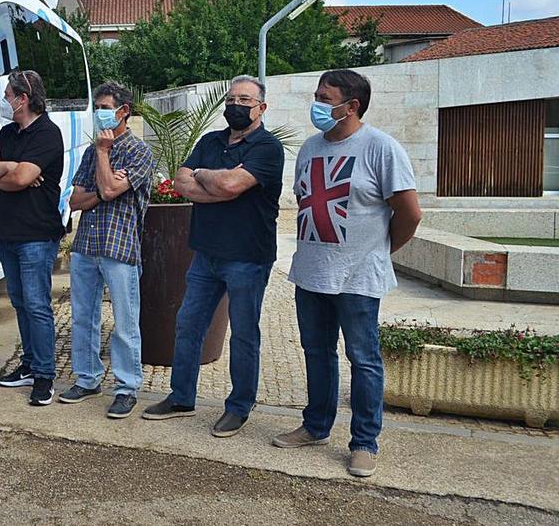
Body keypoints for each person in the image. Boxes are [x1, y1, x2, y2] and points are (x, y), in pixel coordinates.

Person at [274, 69, 420, 478]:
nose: (317, 104)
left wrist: (379, 251)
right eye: (317, 96)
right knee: (317, 354)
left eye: (325, 97)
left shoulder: (381, 148)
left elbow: (409, 213)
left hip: (358, 277)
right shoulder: (309, 148)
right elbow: (306, 200)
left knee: (363, 359)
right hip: (311, 273)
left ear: (351, 105)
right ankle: (316, 426)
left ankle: (364, 442)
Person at [142, 75, 284, 436]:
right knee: (188, 324)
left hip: (248, 257)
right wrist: (215, 183)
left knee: (244, 334)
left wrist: (207, 178)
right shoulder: (210, 141)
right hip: (205, 253)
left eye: (245, 100)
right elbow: (180, 183)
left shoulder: (267, 148)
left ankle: (238, 407)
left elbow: (232, 185)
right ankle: (181, 397)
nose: (236, 105)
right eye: (232, 98)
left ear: (261, 108)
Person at [60, 82, 154, 418]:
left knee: (126, 321)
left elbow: (113, 188)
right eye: (97, 106)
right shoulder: (88, 152)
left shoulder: (139, 152)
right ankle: (87, 378)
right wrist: (102, 187)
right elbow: (75, 200)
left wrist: (103, 156)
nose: (99, 112)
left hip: (120, 247)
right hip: (86, 245)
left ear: (123, 111)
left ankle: (127, 387)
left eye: (104, 106)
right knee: (83, 316)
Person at [0, 70, 65, 406]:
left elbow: (24, 176)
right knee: (20, 303)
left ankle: (44, 376)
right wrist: (11, 169)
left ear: (22, 99)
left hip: (37, 234)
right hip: (9, 231)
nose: (4, 100)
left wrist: (12, 170)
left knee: (38, 305)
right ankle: (29, 365)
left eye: (8, 95)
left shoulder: (47, 133)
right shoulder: (7, 132)